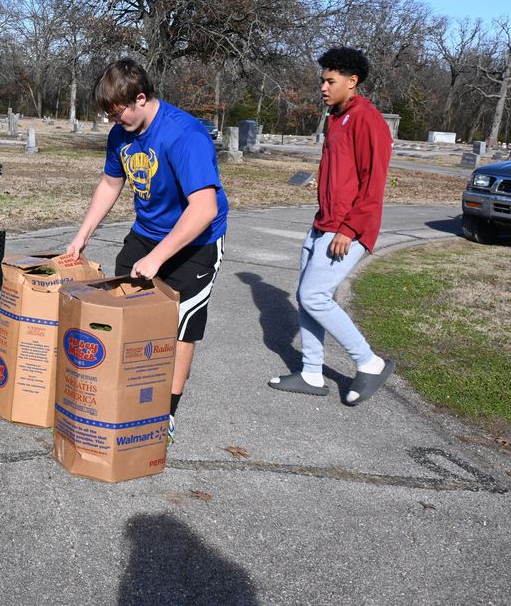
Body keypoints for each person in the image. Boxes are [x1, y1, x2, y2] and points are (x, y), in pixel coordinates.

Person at [66, 59, 229, 435]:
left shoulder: (184, 135)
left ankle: (164, 415)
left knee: (179, 326)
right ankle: (123, 395)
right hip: (147, 233)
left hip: (196, 242)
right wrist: (82, 236)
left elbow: (204, 209)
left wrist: (158, 258)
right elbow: (110, 184)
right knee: (121, 312)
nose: (111, 121)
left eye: (117, 112)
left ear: (141, 98)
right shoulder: (121, 135)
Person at [269, 47, 395, 405]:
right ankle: (311, 371)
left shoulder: (367, 119)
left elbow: (374, 183)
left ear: (352, 82)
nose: (323, 87)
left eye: (330, 81)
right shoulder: (336, 117)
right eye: (322, 80)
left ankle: (369, 362)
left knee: (314, 296)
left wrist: (349, 229)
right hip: (323, 223)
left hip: (347, 230)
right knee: (305, 298)